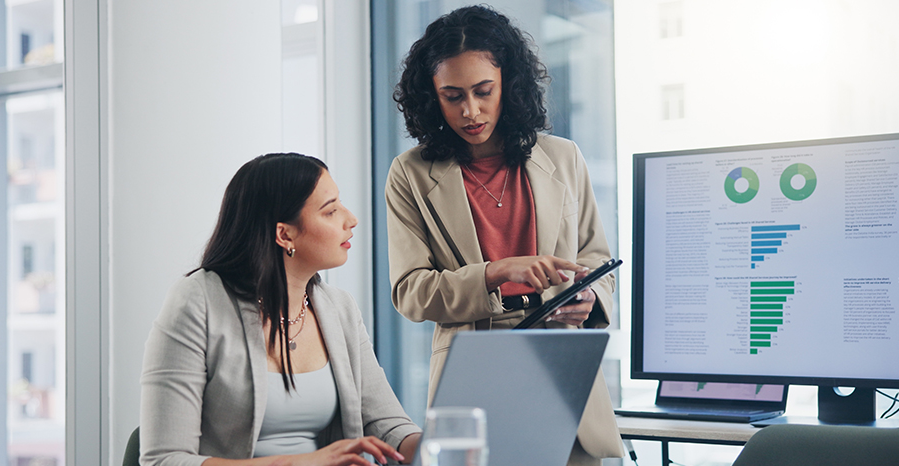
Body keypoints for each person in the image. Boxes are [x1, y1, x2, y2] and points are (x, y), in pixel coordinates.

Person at [386, 6, 623, 465]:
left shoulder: (564, 157)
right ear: (431, 97)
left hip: (560, 362)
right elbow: (411, 292)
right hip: (474, 367)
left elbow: (598, 262)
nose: (470, 111)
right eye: (452, 96)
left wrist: (590, 297)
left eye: (483, 91)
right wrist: (496, 273)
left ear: (508, 84)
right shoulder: (409, 174)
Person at [140, 153, 421, 466]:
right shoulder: (198, 302)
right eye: (331, 211)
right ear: (285, 234)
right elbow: (164, 460)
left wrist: (442, 441)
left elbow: (388, 425)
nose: (351, 219)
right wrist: (300, 463)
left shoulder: (339, 308)